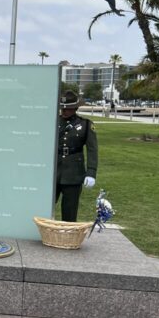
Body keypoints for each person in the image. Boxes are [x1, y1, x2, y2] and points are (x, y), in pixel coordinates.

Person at [55, 90, 98, 222]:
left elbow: (92, 150)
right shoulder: (53, 122)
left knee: (69, 210)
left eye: (67, 109)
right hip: (53, 170)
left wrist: (91, 172)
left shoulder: (85, 124)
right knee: (44, 208)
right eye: (62, 108)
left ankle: (67, 239)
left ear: (75, 108)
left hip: (73, 172)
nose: (64, 111)